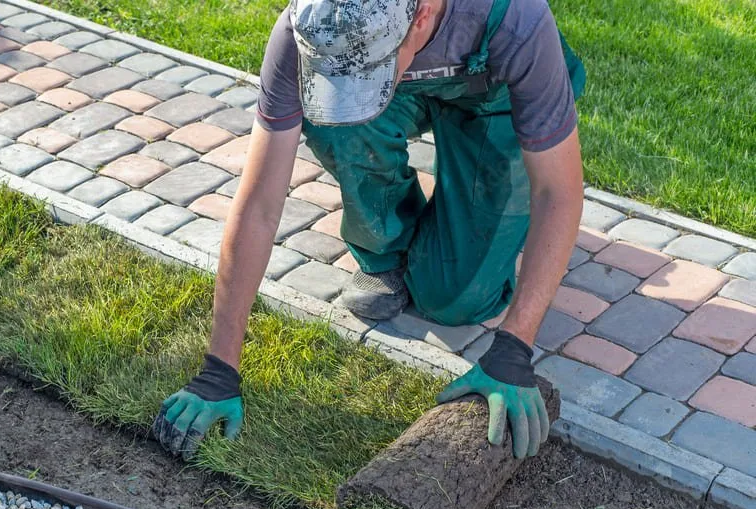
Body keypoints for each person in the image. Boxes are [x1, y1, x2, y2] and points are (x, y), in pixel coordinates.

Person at [152, 0, 586, 461]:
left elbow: (557, 194)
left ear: (422, 16)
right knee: (336, 123)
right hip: (401, 89)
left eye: (361, 77)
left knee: (455, 299)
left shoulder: (517, 19)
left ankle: (468, 208)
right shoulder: (311, 29)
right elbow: (259, 203)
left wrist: (514, 348)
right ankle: (386, 251)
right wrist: (220, 369)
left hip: (493, 100)